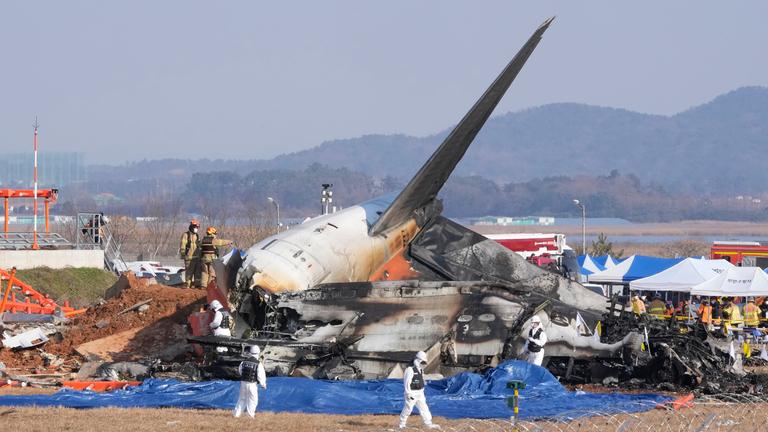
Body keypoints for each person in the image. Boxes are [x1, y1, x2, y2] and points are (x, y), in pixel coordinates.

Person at [399, 351, 440, 430]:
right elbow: (407, 382)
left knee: (424, 408)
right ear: (417, 360)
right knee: (408, 409)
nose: (423, 364)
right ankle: (402, 424)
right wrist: (408, 393)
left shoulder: (420, 370)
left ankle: (428, 423)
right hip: (412, 393)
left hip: (420, 393)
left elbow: (421, 378)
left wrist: (423, 384)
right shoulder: (410, 369)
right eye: (422, 361)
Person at [233, 345, 267, 418]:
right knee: (253, 400)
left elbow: (240, 371)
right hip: (252, 384)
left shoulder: (243, 362)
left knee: (242, 399)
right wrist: (263, 384)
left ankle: (236, 415)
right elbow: (260, 375)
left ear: (250, 352)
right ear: (258, 353)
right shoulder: (258, 363)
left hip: (243, 383)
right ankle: (249, 416)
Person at [179, 219, 201, 288]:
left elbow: (199, 245)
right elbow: (183, 245)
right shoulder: (186, 235)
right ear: (191, 226)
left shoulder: (197, 235)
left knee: (197, 273)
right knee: (189, 273)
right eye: (195, 227)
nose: (196, 229)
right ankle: (187, 285)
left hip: (197, 257)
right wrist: (183, 254)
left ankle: (197, 286)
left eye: (197, 227)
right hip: (189, 258)